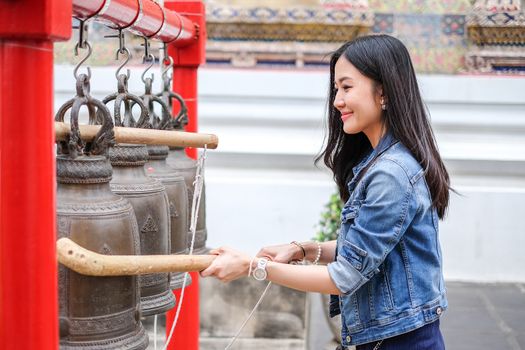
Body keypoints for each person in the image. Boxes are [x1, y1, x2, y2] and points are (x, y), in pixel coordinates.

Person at [201, 34, 449, 350]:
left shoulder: (392, 174)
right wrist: (304, 250)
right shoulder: (381, 162)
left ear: (383, 91)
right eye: (336, 90)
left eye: (347, 87)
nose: (337, 101)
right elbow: (364, 246)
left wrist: (253, 265)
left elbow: (343, 277)